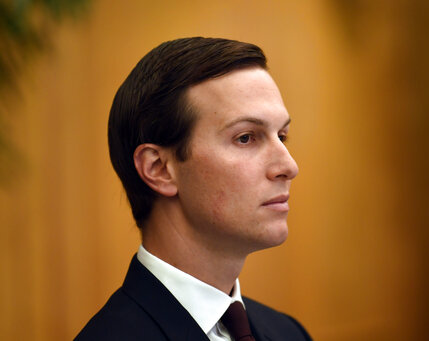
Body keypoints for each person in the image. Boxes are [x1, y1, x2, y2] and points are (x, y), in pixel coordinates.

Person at [75, 37, 311, 340]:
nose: (289, 167)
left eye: (282, 135)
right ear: (159, 169)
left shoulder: (289, 333)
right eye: (246, 137)